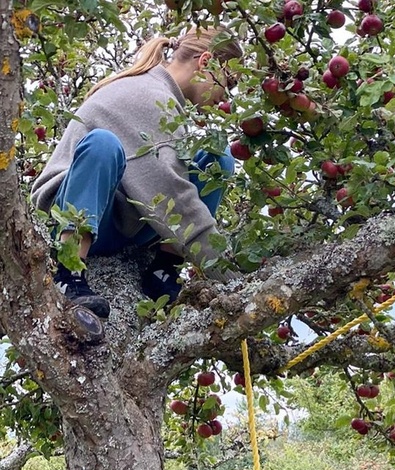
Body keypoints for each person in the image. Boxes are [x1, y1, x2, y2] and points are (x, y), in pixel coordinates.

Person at [32, 26, 243, 318]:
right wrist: (234, 281)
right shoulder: (147, 95)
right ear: (205, 62)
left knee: (218, 156)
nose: (225, 96)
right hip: (78, 214)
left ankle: (163, 271)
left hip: (123, 222)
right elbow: (171, 196)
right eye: (228, 82)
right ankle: (68, 273)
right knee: (102, 144)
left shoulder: (169, 101)